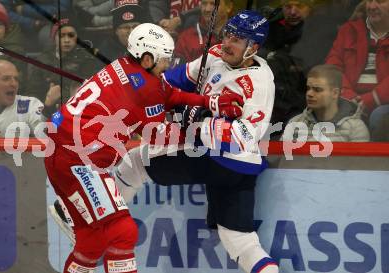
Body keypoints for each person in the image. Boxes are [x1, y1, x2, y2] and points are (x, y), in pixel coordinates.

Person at [44, 22, 244, 273]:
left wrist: (210, 102)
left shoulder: (129, 68)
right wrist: (207, 133)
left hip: (61, 153)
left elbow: (169, 95)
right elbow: (158, 136)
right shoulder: (146, 86)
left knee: (91, 240)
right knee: (122, 231)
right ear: (147, 58)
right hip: (79, 160)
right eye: (164, 59)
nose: (168, 65)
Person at [114, 10, 279, 273]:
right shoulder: (214, 55)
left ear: (253, 47)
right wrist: (150, 90)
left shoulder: (260, 84)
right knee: (240, 240)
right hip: (235, 170)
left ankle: (98, 222)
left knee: (135, 161)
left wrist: (196, 122)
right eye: (228, 34)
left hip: (225, 159)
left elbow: (245, 137)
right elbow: (172, 80)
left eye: (237, 40)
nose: (227, 43)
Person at [325, 0, 389, 131]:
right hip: (348, 98)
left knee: (380, 117)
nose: (372, 6)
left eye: (380, 1)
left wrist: (371, 99)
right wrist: (348, 97)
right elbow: (332, 66)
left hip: (383, 103)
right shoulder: (349, 30)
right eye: (369, 0)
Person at [25, 17, 97, 118]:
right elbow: (33, 94)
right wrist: (47, 102)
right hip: (47, 113)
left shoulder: (87, 60)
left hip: (79, 113)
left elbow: (93, 93)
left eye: (71, 35)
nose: (67, 40)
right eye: (61, 36)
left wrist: (62, 95)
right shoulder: (42, 61)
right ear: (54, 37)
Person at [281, 64, 370, 142]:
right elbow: (281, 159)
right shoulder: (295, 123)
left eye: (317, 90)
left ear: (335, 93)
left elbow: (359, 162)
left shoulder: (355, 128)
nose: (309, 94)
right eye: (308, 88)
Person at [93, 1, 148, 72]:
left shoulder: (151, 45)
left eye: (135, 26)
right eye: (126, 27)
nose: (131, 32)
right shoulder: (105, 50)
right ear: (116, 31)